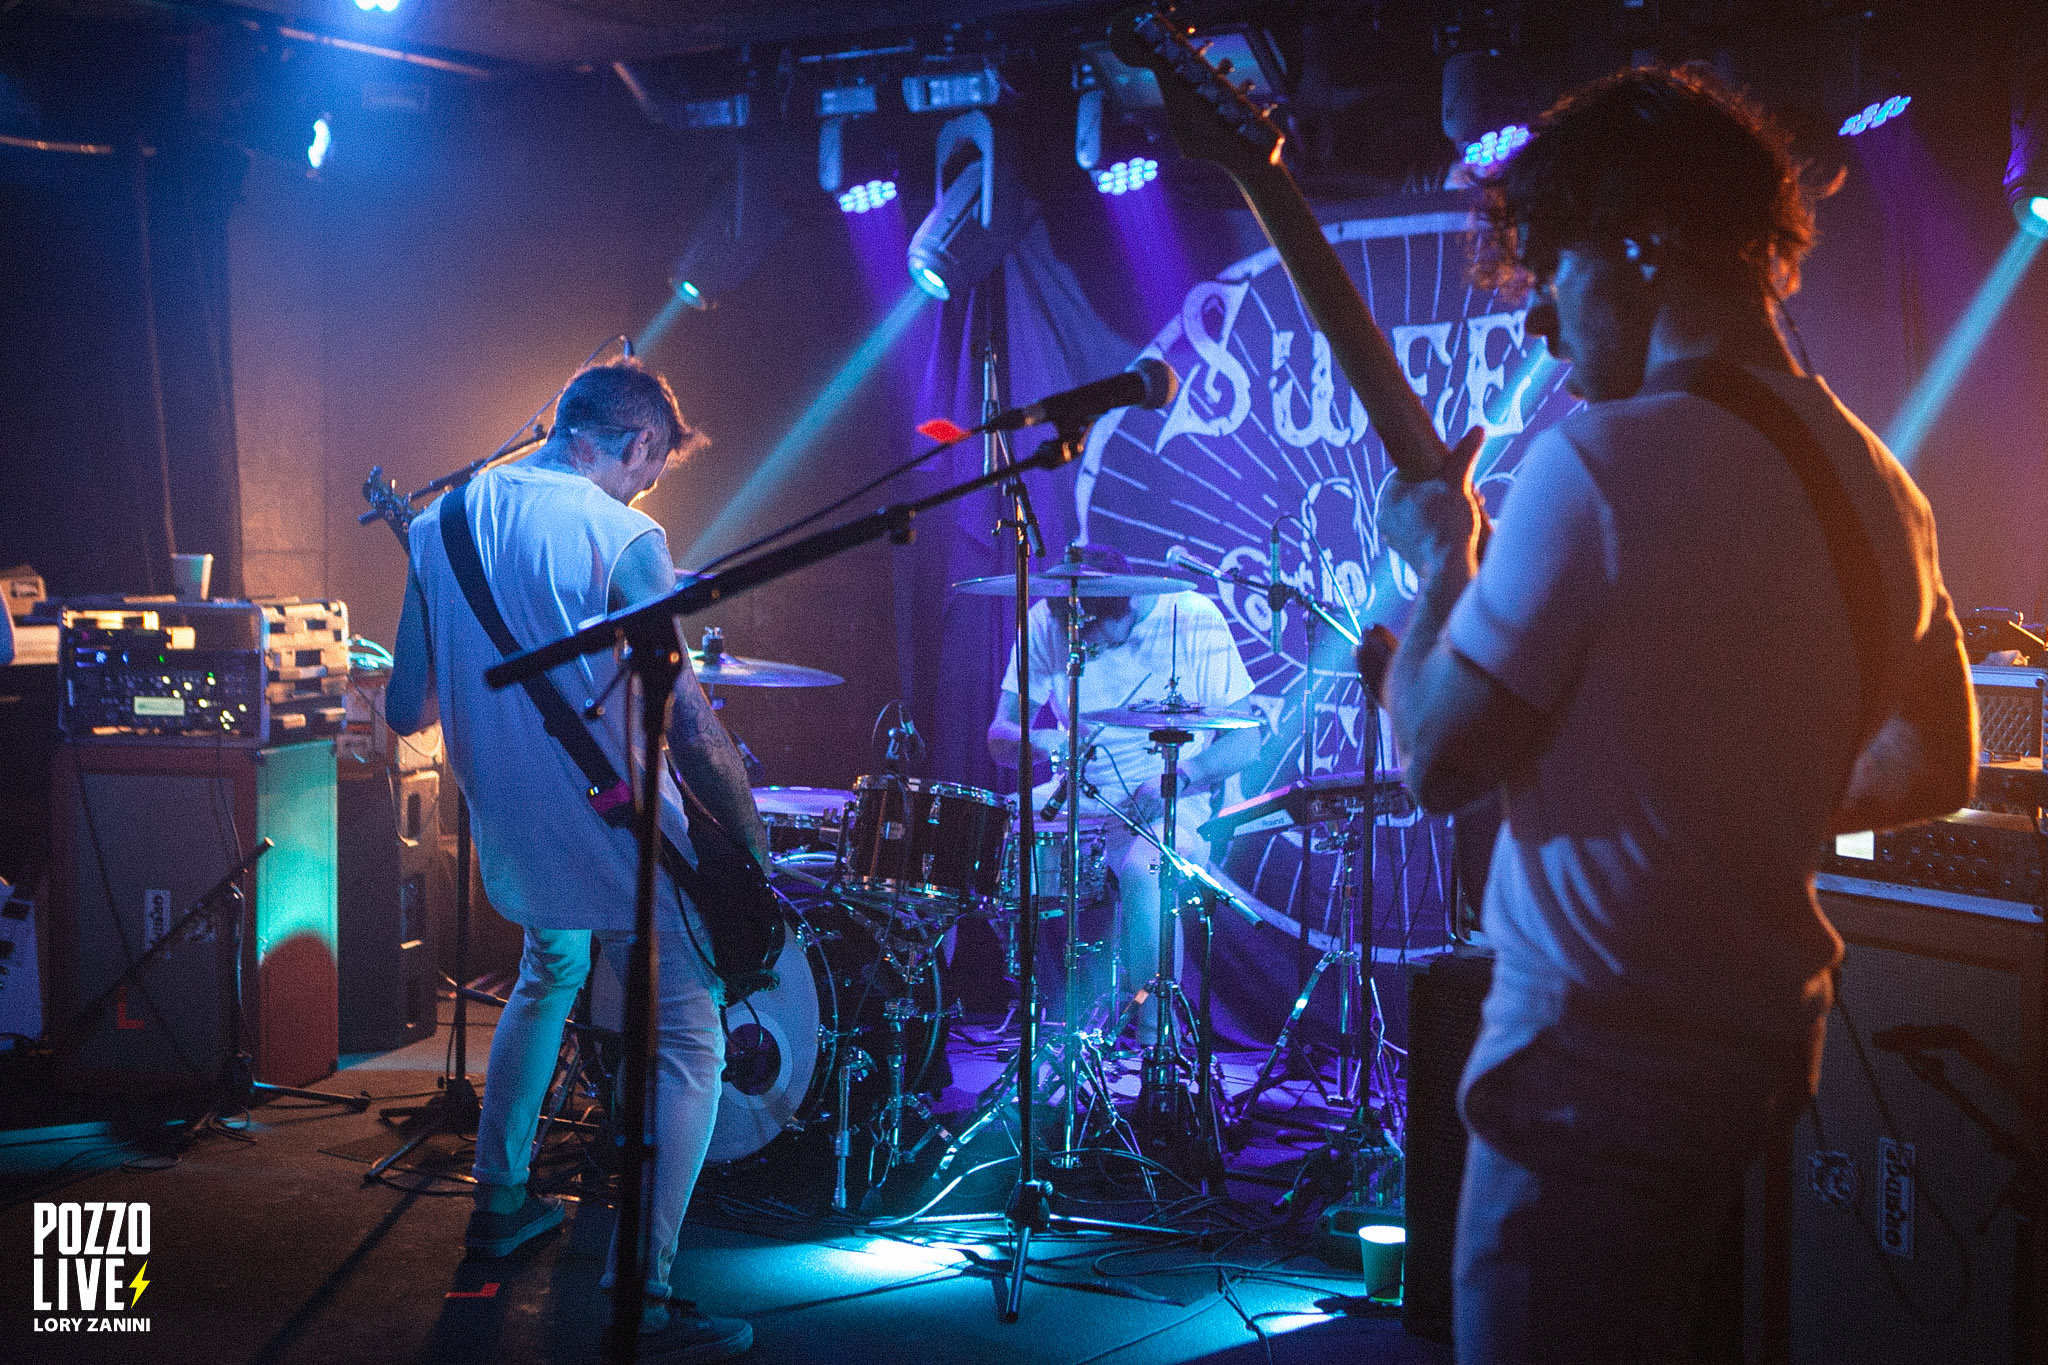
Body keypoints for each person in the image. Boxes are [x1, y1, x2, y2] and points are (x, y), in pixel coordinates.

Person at [1376, 65, 1975, 1365]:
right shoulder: (1888, 486)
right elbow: (1943, 762)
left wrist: (1439, 564)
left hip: (1594, 1065)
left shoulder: (1602, 460)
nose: (1537, 315)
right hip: (1753, 1055)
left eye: (1552, 264)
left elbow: (1433, 756)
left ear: (1644, 244)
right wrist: (1750, 775)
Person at [387, 360, 768, 1364]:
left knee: (547, 975)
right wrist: (746, 832)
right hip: (619, 835)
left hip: (513, 839)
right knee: (691, 1043)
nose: (643, 494)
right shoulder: (624, 535)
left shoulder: (442, 523)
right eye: (647, 472)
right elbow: (683, 716)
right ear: (637, 442)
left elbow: (404, 710)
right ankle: (643, 1295)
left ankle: (499, 1207)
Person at [987, 543, 1260, 1027]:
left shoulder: (1190, 617)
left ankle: (1156, 1038)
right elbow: (1000, 739)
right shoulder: (1046, 622)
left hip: (1172, 799)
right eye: (1072, 634)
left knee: (1142, 869)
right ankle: (936, 1023)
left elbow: (1246, 743)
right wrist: (1052, 740)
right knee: (973, 835)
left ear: (1127, 604)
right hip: (1075, 794)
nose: (1082, 646)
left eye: (1092, 634)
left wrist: (1178, 780)